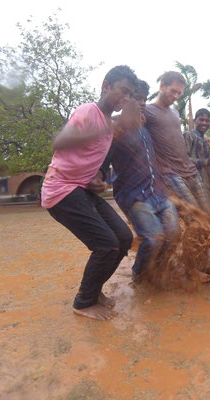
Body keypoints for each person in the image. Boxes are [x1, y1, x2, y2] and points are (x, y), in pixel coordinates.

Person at [41, 65, 140, 320]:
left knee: (123, 238)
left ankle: (93, 291)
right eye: (123, 91)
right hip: (60, 190)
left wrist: (98, 180)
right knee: (106, 244)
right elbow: (59, 142)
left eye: (130, 95)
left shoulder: (108, 124)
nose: (126, 98)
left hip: (80, 190)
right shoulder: (89, 111)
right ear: (106, 86)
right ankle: (83, 303)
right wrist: (108, 128)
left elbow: (93, 163)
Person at [96, 80, 180, 283]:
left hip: (159, 193)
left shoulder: (145, 126)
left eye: (144, 99)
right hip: (134, 196)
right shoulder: (116, 130)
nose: (142, 103)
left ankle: (158, 271)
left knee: (174, 234)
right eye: (137, 98)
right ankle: (140, 276)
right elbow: (102, 160)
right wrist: (99, 177)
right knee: (154, 238)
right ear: (126, 100)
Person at [144, 71, 210, 221]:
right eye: (173, 91)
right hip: (170, 173)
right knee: (195, 218)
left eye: (179, 93)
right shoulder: (147, 111)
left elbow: (174, 135)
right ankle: (196, 244)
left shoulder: (175, 113)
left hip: (191, 170)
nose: (176, 96)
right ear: (162, 86)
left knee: (209, 215)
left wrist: (203, 136)